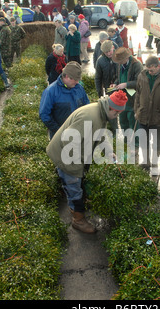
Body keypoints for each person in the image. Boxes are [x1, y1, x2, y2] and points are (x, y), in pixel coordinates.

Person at [46, 90, 128, 234]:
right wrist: (78, 167)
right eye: (116, 114)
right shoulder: (90, 117)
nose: (116, 117)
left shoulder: (100, 113)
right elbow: (68, 141)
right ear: (110, 108)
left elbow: (101, 134)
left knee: (78, 181)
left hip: (74, 155)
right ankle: (78, 220)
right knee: (74, 186)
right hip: (67, 156)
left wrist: (109, 152)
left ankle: (76, 202)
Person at [134, 55, 160, 172]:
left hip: (159, 118)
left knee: (157, 143)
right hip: (143, 115)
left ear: (158, 66)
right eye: (148, 70)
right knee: (143, 140)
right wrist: (136, 110)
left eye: (151, 70)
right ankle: (146, 162)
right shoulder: (142, 75)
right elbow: (138, 94)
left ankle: (154, 162)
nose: (149, 72)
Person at [39, 62, 90, 138]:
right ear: (66, 76)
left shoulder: (79, 88)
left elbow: (86, 106)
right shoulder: (51, 91)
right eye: (75, 79)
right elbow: (44, 114)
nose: (77, 82)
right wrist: (59, 131)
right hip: (60, 137)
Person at [111, 47, 143, 145]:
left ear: (126, 58)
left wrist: (126, 84)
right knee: (122, 120)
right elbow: (118, 78)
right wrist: (115, 83)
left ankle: (136, 144)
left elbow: (139, 81)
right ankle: (126, 142)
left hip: (133, 98)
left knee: (133, 122)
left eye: (121, 61)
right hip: (122, 98)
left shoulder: (137, 65)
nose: (119, 63)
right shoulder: (120, 66)